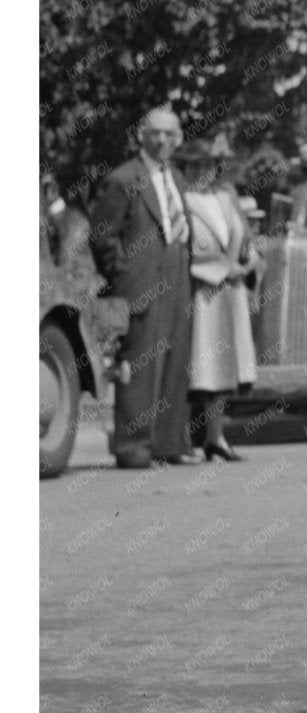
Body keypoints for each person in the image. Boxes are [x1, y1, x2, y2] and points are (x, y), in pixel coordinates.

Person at [89, 106, 197, 467]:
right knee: (139, 365)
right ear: (142, 135)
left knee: (174, 360)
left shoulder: (177, 179)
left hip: (177, 278)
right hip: (140, 282)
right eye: (155, 133)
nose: (163, 140)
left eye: (170, 133)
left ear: (178, 137)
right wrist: (122, 274)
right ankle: (133, 446)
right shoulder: (122, 179)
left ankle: (169, 444)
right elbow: (103, 236)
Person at [182, 141, 257, 462]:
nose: (202, 172)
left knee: (224, 370)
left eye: (207, 165)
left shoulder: (226, 198)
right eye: (195, 166)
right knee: (200, 371)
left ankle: (216, 438)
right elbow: (188, 250)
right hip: (202, 292)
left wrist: (250, 259)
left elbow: (244, 239)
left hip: (231, 291)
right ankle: (185, 440)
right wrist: (226, 268)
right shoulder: (183, 201)